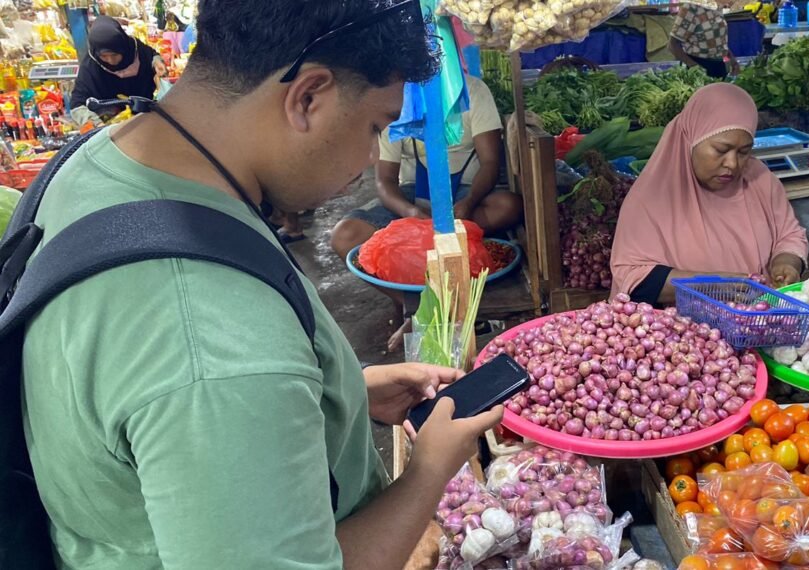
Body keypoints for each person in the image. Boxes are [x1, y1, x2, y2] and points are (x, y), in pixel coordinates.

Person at [21, 1, 501, 568]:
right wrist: (427, 474)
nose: (374, 152)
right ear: (308, 97)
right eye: (376, 125)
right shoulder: (214, 338)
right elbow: (214, 378)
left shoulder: (100, 159)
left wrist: (341, 390)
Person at [330, 73, 522, 351]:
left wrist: (467, 206)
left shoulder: (472, 91)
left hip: (466, 194)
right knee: (344, 236)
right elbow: (384, 181)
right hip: (413, 199)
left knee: (509, 206)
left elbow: (490, 162)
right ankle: (418, 307)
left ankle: (437, 284)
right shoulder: (397, 96)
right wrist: (410, 214)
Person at [610, 83, 808, 305]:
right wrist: (712, 286)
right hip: (683, 333)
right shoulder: (651, 200)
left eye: (744, 152)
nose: (732, 164)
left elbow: (789, 235)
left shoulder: (760, 181)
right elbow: (632, 277)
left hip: (756, 320)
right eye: (721, 150)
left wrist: (787, 263)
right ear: (691, 140)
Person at [69, 16, 165, 126]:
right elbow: (76, 104)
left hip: (146, 118)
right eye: (104, 56)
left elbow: (152, 55)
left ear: (122, 46)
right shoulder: (90, 66)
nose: (110, 61)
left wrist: (157, 62)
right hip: (109, 126)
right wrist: (97, 125)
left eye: (115, 54)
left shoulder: (135, 49)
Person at [669, 0, 740, 79]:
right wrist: (696, 68)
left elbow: (720, 42)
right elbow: (673, 45)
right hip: (699, 67)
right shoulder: (691, 8)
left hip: (719, 67)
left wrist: (733, 61)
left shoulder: (716, 7)